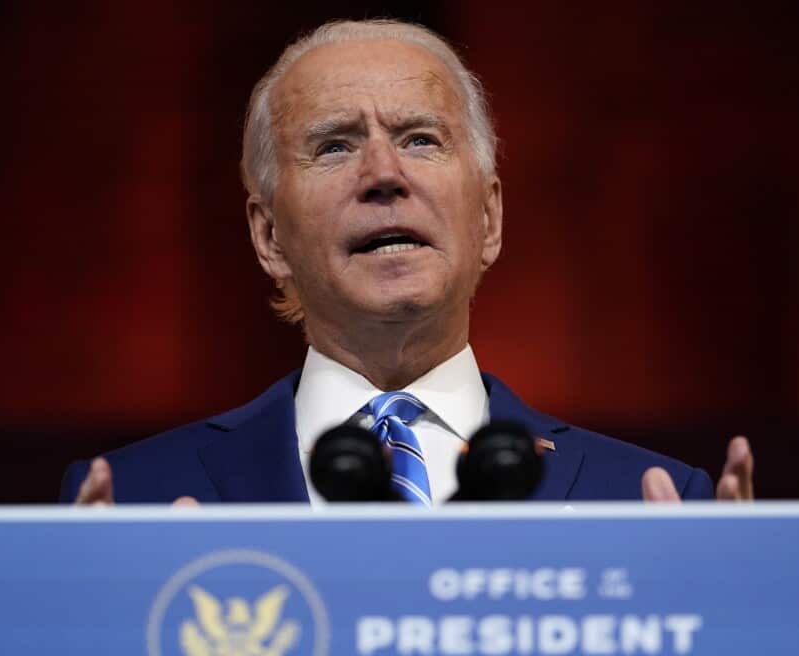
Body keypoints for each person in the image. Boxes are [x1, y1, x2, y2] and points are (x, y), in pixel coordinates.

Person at [63, 19, 754, 507]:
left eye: (420, 139)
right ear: (269, 236)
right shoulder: (131, 502)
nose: (383, 174)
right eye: (334, 146)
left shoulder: (655, 505)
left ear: (489, 218)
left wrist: (730, 639)